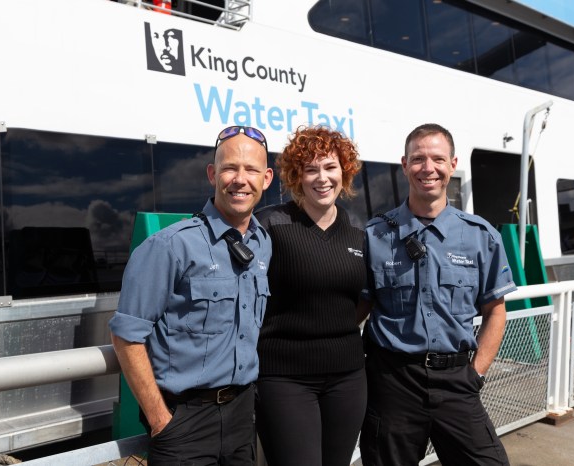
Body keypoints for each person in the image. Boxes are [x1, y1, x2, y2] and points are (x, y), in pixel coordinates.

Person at [109, 126, 273, 465]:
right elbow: (126, 335)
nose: (240, 179)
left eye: (251, 169)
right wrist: (159, 420)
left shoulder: (262, 244)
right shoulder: (169, 245)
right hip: (184, 421)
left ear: (267, 178)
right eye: (230, 168)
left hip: (242, 415)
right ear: (213, 174)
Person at [359, 123, 517, 466]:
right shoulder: (375, 236)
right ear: (404, 165)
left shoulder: (481, 236)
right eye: (418, 159)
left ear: (452, 164)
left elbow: (495, 310)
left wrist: (476, 373)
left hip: (457, 381)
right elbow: (358, 308)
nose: (427, 168)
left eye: (437, 159)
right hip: (393, 383)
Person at [255, 126, 368, 466]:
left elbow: (366, 296)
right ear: (296, 176)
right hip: (283, 379)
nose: (322, 178)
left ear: (344, 172)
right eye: (311, 168)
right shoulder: (270, 224)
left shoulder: (358, 229)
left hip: (348, 377)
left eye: (330, 167)